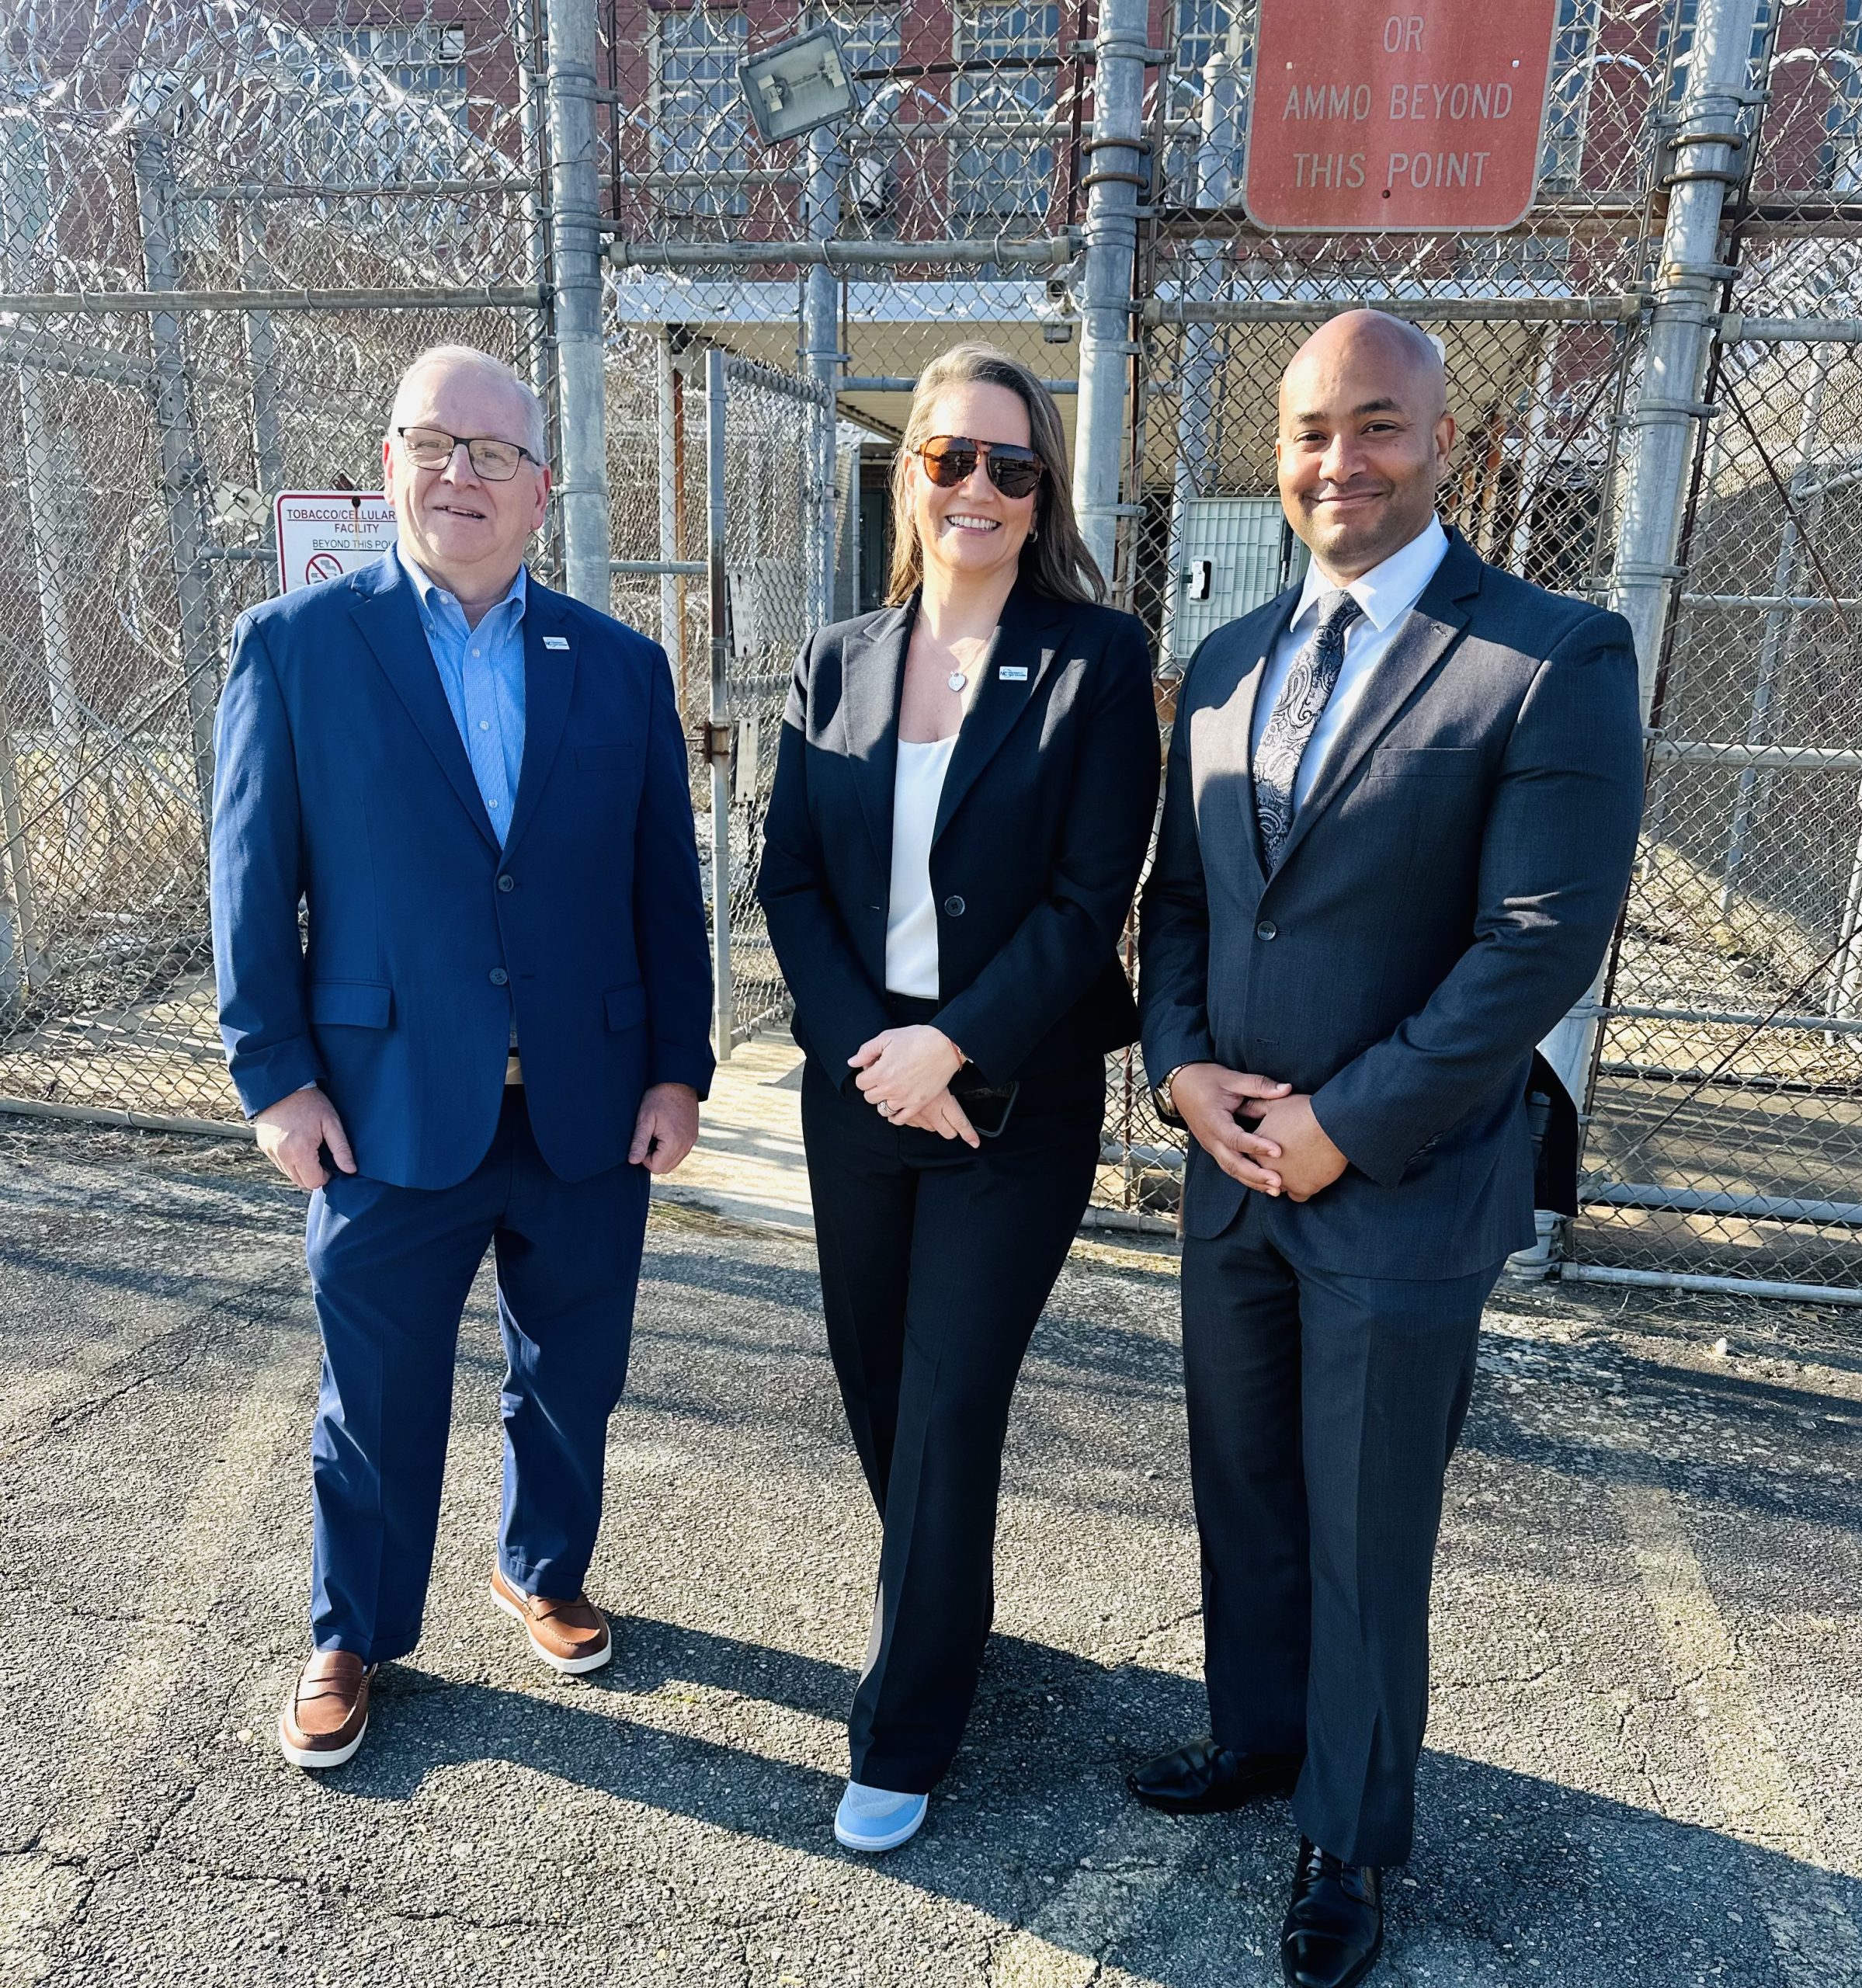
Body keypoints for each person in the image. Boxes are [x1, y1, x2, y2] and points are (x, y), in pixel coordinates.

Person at [1134, 311, 1644, 1988]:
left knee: (1366, 1526)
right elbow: (1189, 900)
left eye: (1375, 428)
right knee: (1247, 1487)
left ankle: (1347, 1829)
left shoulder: (1551, 653)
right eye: (1303, 433)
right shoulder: (1221, 660)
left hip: (1401, 1181)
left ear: (1445, 444)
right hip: (1229, 1164)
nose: (1335, 464)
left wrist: (1345, 1124)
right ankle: (1264, 1737)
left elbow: (1537, 942)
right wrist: (1179, 1073)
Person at [211, 345, 713, 1771]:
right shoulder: (299, 648)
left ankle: (541, 1570)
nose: (461, 474)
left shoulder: (617, 668)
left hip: (584, 1106)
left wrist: (679, 1069)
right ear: (391, 469)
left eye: (494, 452)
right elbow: (249, 885)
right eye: (433, 444)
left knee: (572, 1372)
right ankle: (350, 1631)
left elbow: (658, 891)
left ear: (543, 488)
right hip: (379, 1110)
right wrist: (275, 1078)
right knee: (373, 1394)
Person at [757, 343, 1161, 1854]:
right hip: (858, 1084)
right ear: (907, 472)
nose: (976, 487)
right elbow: (787, 875)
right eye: (948, 458)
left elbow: (1084, 896)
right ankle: (950, 1604)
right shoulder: (837, 661)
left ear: (1039, 487)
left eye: (1008, 464)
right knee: (878, 1389)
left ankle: (908, 1716)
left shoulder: (1095, 659)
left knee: (945, 1405)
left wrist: (956, 1050)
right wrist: (876, 1046)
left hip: (1014, 1100)